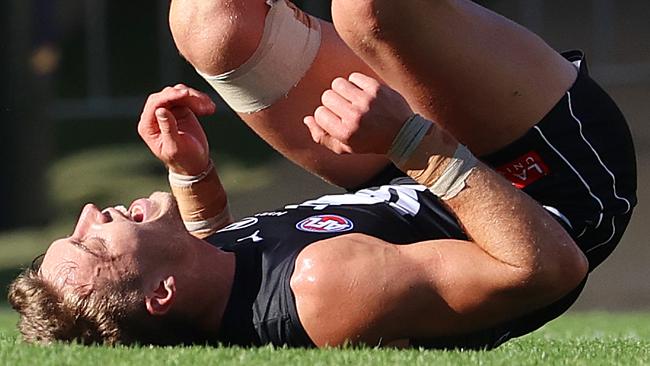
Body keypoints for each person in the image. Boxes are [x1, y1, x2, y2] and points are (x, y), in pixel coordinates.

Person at [9, 0, 636, 349]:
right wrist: (412, 140)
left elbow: (220, 272)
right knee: (369, 12)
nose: (94, 213)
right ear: (160, 295)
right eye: (93, 242)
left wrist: (193, 175)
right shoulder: (327, 286)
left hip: (424, 176)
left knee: (209, 22)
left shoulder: (193, 298)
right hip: (550, 187)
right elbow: (547, 270)